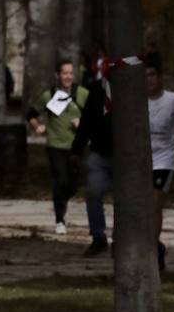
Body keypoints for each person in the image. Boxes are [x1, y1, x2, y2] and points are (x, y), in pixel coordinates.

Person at [26, 59, 89, 235]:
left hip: (76, 146)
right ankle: (59, 219)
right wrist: (37, 126)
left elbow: (96, 114)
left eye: (70, 73)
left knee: (73, 186)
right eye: (64, 73)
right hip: (55, 145)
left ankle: (61, 201)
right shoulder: (49, 95)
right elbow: (31, 114)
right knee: (60, 181)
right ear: (57, 75)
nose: (68, 76)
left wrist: (82, 123)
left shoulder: (82, 93)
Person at [145, 57, 174, 270]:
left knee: (155, 203)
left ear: (160, 77)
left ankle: (152, 250)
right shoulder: (136, 101)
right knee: (143, 207)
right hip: (141, 162)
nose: (149, 79)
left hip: (164, 160)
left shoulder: (173, 100)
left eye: (152, 74)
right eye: (144, 76)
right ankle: (154, 246)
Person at [69, 76, 113, 256]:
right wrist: (76, 149)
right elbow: (86, 121)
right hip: (99, 152)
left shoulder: (131, 85)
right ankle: (98, 237)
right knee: (93, 193)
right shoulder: (96, 89)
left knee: (125, 200)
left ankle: (121, 239)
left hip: (126, 154)